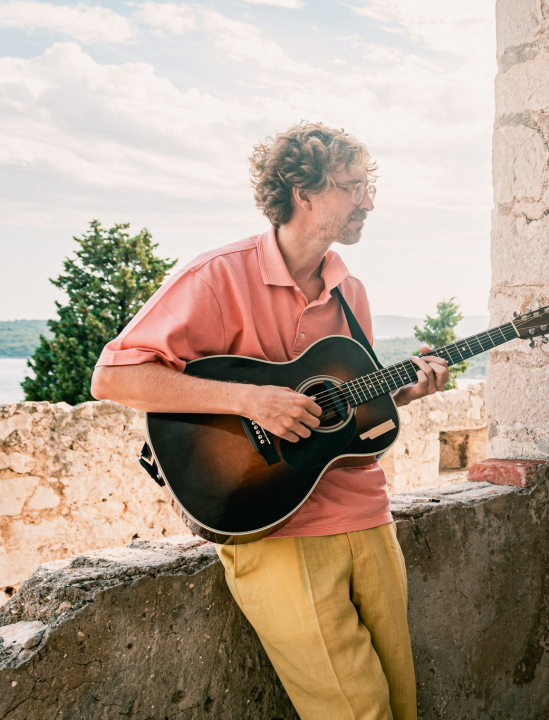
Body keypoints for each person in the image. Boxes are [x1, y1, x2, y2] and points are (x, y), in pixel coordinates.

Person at [91, 123, 447, 720]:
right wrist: (251, 402)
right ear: (303, 193)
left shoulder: (350, 291)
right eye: (353, 187)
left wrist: (403, 393)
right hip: (275, 527)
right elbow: (113, 378)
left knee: (401, 704)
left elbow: (343, 412)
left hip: (368, 519)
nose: (369, 201)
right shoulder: (218, 276)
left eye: (370, 186)